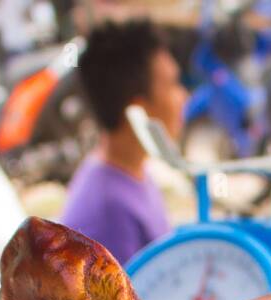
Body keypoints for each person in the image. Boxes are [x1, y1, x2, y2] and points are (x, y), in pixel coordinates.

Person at [59, 19, 187, 265]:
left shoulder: (132, 171)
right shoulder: (109, 211)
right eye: (172, 85)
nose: (183, 96)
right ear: (138, 112)